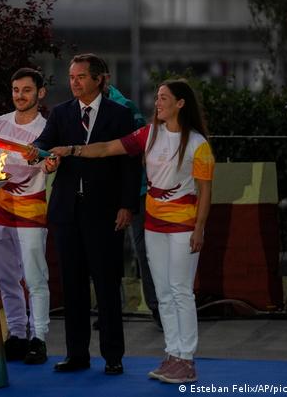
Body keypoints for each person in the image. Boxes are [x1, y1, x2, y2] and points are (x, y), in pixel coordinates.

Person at [49, 78, 214, 385]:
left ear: (181, 103)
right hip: (154, 226)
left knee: (180, 291)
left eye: (165, 98)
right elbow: (107, 148)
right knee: (164, 293)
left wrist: (199, 229)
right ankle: (172, 354)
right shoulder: (149, 134)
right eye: (158, 97)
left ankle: (187, 360)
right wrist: (73, 149)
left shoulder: (197, 145)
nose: (158, 103)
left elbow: (205, 192)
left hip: (184, 227)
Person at [25, 54, 141, 376]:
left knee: (106, 284)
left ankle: (113, 355)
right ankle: (77, 354)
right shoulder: (61, 113)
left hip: (104, 212)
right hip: (66, 212)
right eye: (71, 76)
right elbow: (45, 146)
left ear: (98, 79)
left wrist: (126, 205)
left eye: (81, 77)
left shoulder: (120, 115)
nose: (74, 82)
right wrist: (43, 159)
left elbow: (129, 165)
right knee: (72, 286)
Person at [0, 67, 51, 364]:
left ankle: (38, 338)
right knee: (6, 278)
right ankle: (16, 334)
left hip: (31, 210)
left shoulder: (48, 129)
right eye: (15, 90)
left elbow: (50, 165)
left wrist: (50, 166)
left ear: (40, 93)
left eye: (26, 90)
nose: (20, 96)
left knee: (34, 277)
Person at [105, 82, 161, 330]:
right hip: (105, 194)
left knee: (144, 251)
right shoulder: (80, 109)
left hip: (135, 193)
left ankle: (157, 307)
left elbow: (136, 152)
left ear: (103, 79)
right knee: (105, 253)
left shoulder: (125, 108)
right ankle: (110, 307)